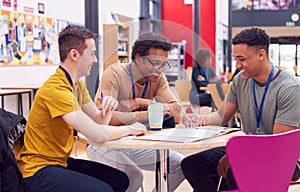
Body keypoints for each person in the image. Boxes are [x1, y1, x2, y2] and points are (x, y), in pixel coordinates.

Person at [17, 25, 146, 192]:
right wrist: (129, 129)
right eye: (92, 54)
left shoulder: (77, 84)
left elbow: (97, 122)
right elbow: (96, 134)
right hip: (37, 170)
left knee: (120, 180)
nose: (95, 60)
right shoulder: (56, 89)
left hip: (61, 162)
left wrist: (108, 110)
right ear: (74, 55)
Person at [181, 27, 300, 191]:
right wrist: (198, 119)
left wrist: (235, 156)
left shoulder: (289, 88)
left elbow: (277, 144)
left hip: (283, 159)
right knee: (191, 165)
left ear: (261, 54)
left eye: (241, 59)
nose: (237, 65)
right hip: (248, 149)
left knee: (235, 171)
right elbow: (220, 117)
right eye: (235, 58)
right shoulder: (240, 80)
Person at [86, 32, 185, 191]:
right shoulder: (115, 73)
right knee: (134, 176)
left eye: (163, 65)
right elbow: (104, 119)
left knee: (181, 165)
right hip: (105, 143)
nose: (159, 70)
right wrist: (149, 112)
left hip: (137, 143)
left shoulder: (158, 78)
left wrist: (141, 103)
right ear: (138, 57)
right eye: (155, 63)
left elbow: (178, 113)